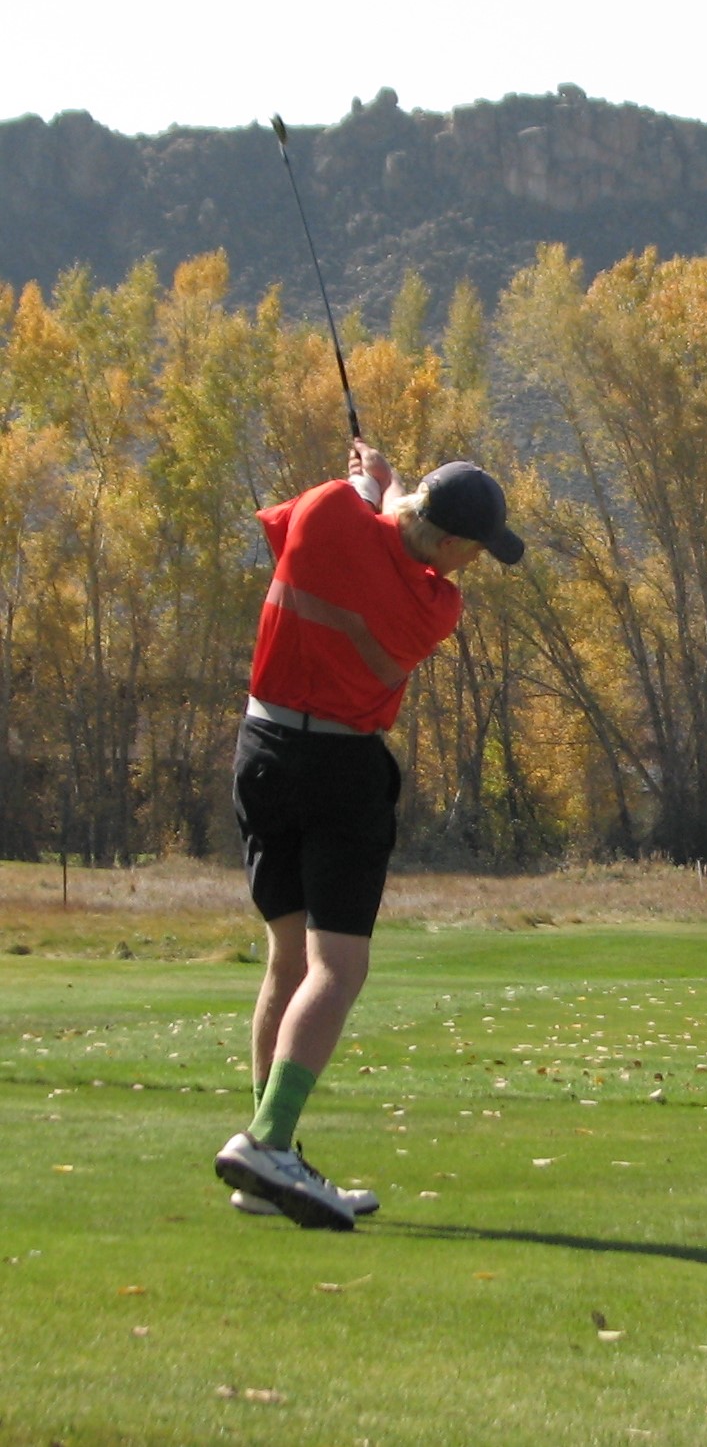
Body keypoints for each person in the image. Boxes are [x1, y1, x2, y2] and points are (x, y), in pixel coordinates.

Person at [214, 440, 524, 1230]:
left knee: (287, 959)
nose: (474, 566)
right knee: (338, 967)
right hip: (340, 770)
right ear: (453, 546)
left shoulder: (323, 509)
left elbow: (336, 523)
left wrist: (372, 483)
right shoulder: (435, 607)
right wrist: (384, 494)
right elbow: (389, 536)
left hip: (260, 751)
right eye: (478, 551)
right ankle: (269, 1141)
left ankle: (263, 1166)